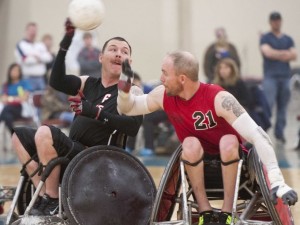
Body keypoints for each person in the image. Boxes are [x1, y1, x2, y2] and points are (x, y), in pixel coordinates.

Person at [117, 51, 298, 225]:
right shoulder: (162, 95)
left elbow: (258, 135)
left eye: (165, 73)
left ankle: (228, 213)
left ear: (182, 78)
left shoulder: (219, 98)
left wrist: (277, 181)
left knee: (228, 141)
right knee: (190, 143)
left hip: (236, 166)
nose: (161, 78)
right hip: (196, 163)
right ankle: (205, 212)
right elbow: (129, 108)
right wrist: (124, 91)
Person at [12, 19, 143, 216]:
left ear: (129, 62)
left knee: (45, 132)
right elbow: (56, 81)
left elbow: (132, 127)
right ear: (100, 57)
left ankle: (52, 200)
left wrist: (95, 112)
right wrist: (66, 43)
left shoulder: (132, 90)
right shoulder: (88, 83)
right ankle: (44, 195)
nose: (119, 53)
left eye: (125, 52)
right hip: (74, 149)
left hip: (99, 157)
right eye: (113, 49)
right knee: (19, 136)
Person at [260, 11, 297, 143]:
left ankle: (279, 132)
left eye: (278, 20)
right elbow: (267, 52)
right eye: (274, 20)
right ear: (270, 22)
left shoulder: (288, 39)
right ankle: (264, 131)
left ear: (281, 21)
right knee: (268, 104)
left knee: (283, 106)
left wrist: (276, 53)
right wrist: (284, 53)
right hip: (270, 77)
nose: (276, 22)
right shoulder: (265, 38)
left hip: (285, 77)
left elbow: (293, 55)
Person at [213, 58, 271, 131]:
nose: (223, 70)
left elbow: (248, 101)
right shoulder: (215, 85)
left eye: (226, 68)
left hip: (238, 112)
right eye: (220, 68)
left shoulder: (239, 83)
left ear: (232, 70)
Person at [14, 22, 53, 91]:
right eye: (31, 30)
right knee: (29, 99)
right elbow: (25, 60)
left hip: (41, 78)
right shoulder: (20, 45)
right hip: (27, 78)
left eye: (35, 31)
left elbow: (49, 58)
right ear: (26, 31)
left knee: (41, 100)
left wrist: (36, 56)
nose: (33, 33)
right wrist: (39, 58)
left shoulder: (40, 45)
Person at [0, 63, 32, 134]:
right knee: (8, 116)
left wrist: (10, 99)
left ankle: (13, 135)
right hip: (8, 110)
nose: (14, 72)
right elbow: (3, 98)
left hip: (20, 108)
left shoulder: (24, 83)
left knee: (7, 109)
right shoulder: (6, 85)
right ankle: (14, 135)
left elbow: (23, 98)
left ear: (20, 72)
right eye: (13, 70)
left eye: (17, 70)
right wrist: (15, 98)